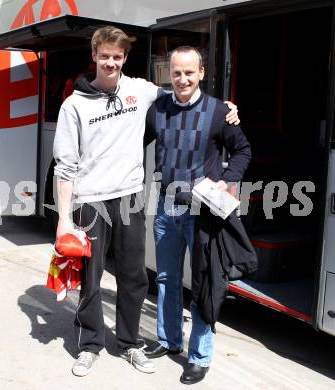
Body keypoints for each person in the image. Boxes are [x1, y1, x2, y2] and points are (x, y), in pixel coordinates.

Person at [53, 26, 239, 377]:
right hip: (90, 201)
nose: (110, 62)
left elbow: (184, 93)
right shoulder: (73, 105)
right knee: (91, 279)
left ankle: (128, 343)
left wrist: (225, 107)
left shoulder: (140, 90)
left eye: (117, 56)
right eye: (105, 55)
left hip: (129, 199)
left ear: (125, 59)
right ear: (94, 56)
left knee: (134, 276)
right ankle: (90, 344)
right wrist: (64, 219)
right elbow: (65, 167)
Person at [144, 46, 251, 385]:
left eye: (189, 72)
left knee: (204, 283)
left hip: (203, 212)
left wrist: (225, 181)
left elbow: (243, 150)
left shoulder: (219, 112)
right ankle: (169, 340)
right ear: (169, 75)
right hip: (166, 207)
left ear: (202, 73)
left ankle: (200, 357)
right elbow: (132, 142)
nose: (183, 79)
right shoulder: (157, 109)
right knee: (165, 278)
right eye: (176, 72)